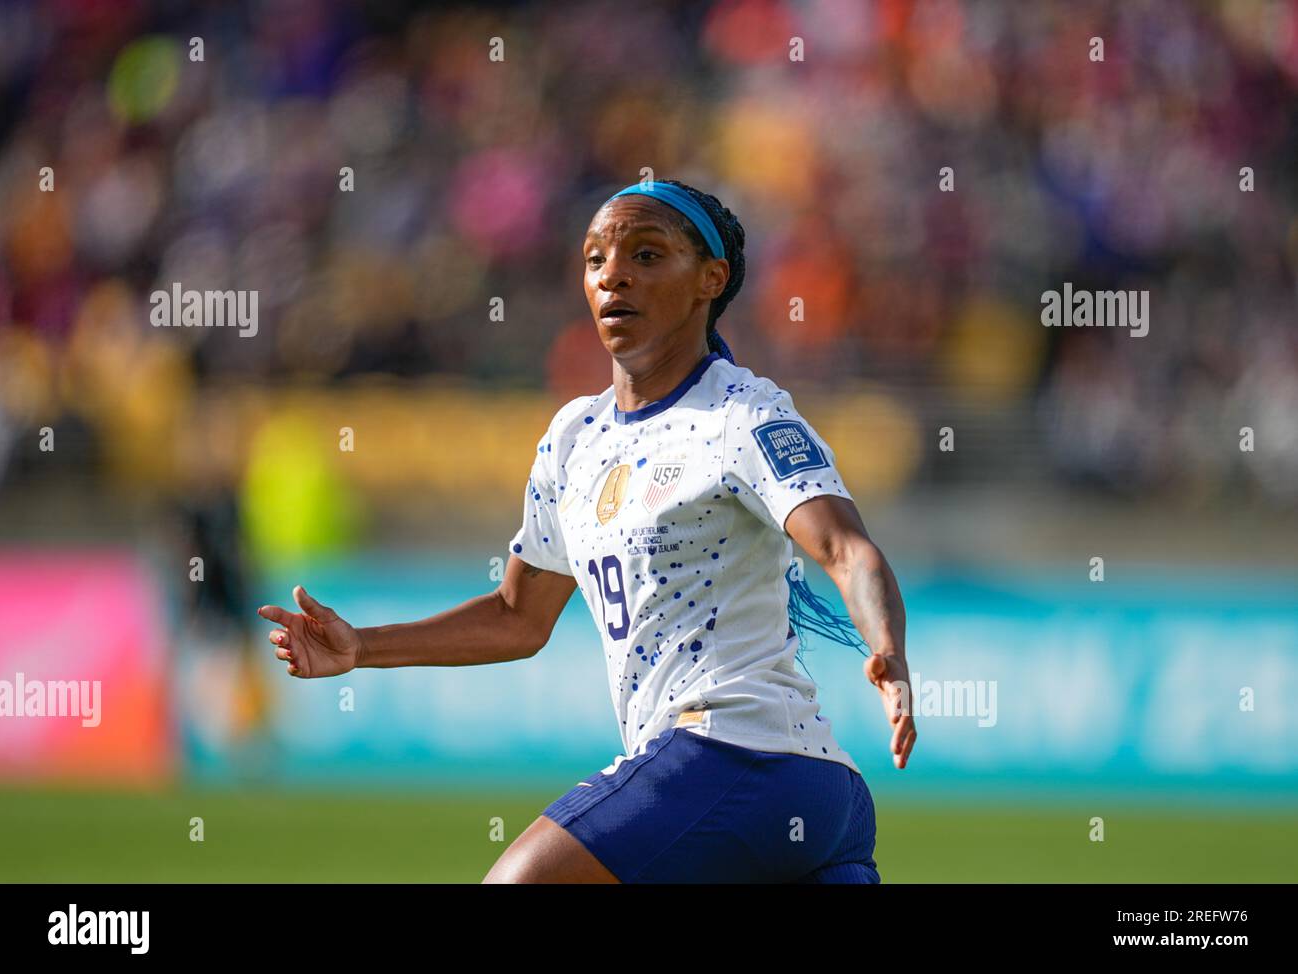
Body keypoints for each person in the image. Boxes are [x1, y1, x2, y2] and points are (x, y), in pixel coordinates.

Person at [257, 179, 915, 883]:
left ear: (711, 279)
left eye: (647, 254)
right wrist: (362, 649)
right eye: (596, 258)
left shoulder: (742, 417)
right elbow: (518, 617)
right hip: (801, 801)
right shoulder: (575, 437)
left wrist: (886, 648)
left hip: (737, 755)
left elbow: (846, 548)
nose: (614, 275)